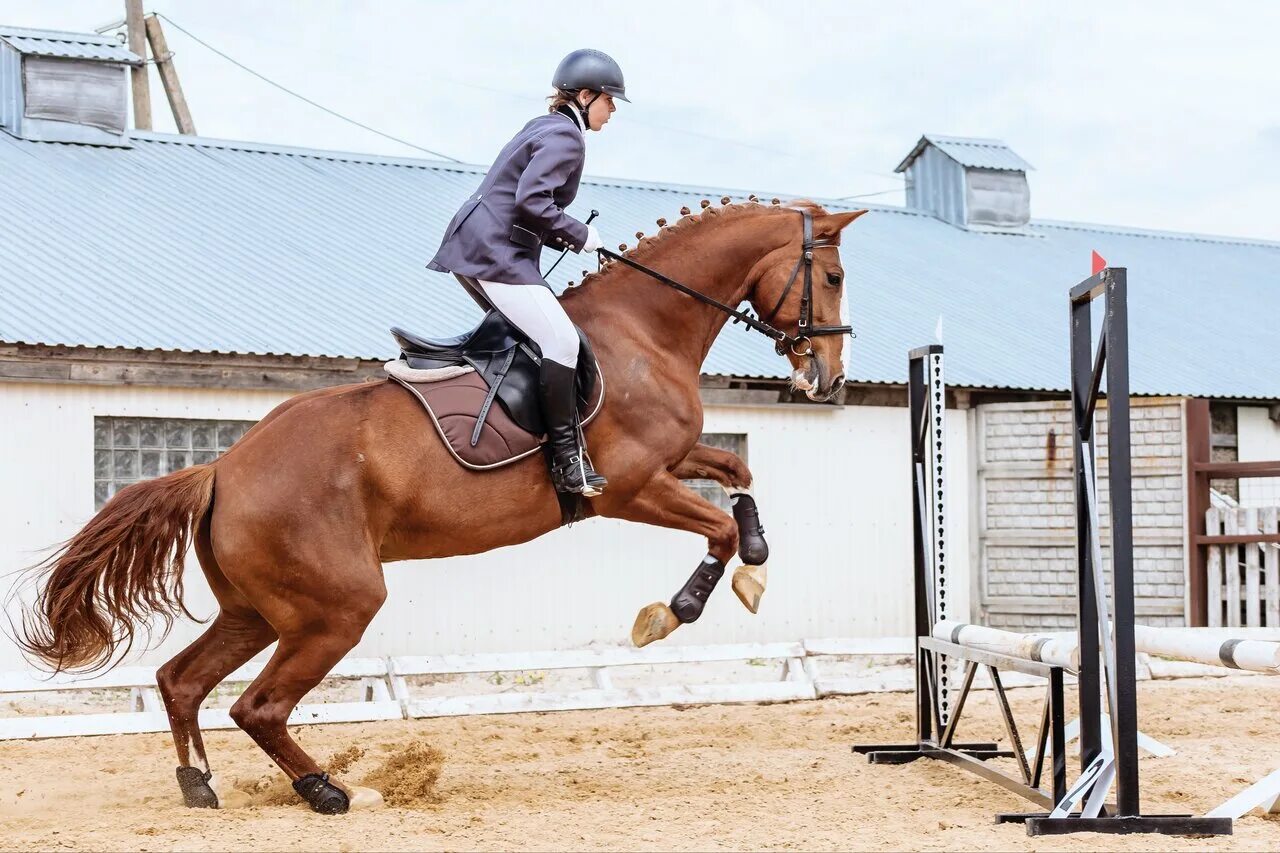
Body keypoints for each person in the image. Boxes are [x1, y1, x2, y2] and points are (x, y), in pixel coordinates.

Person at [428, 49, 627, 497]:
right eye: (609, 100)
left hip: (483, 248)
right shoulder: (566, 137)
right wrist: (581, 235)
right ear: (585, 95)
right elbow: (532, 203)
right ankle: (566, 461)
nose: (613, 110)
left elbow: (528, 207)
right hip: (495, 254)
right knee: (561, 341)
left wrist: (564, 237)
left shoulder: (546, 128)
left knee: (542, 338)